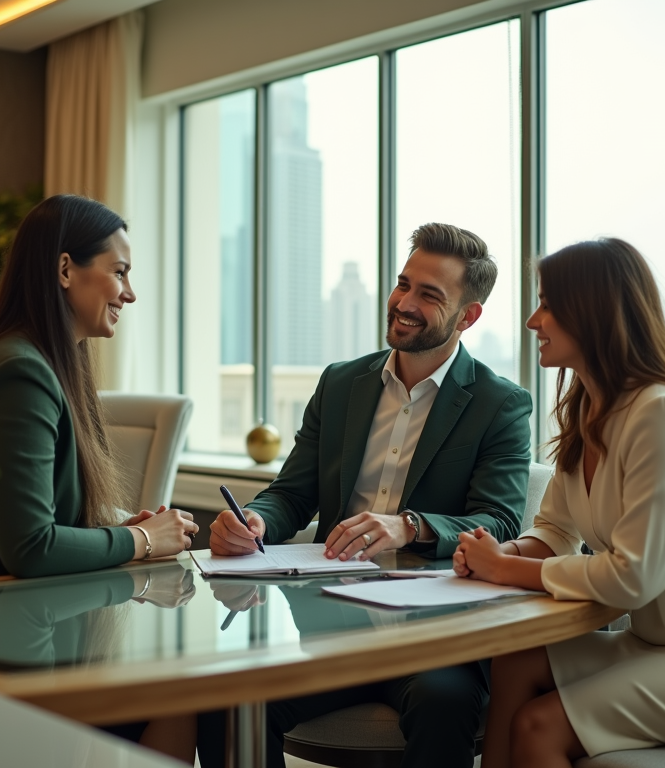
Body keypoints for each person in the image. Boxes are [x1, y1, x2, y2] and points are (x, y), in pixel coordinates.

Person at [452, 238, 665, 768]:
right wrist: (500, 553)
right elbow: (556, 531)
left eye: (547, 304)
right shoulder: (589, 413)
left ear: (592, 313)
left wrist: (504, 571)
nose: (532, 321)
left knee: (537, 726)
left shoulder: (662, 411)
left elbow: (635, 577)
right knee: (516, 658)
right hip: (657, 644)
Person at [206, 223, 533, 768]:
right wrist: (256, 521)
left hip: (437, 636)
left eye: (429, 295)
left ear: (468, 316)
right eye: (403, 284)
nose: (404, 302)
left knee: (445, 704)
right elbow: (291, 493)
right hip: (329, 621)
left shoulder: (500, 404)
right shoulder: (340, 383)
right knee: (224, 696)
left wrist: (410, 525)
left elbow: (498, 520)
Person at [0, 194, 199, 763]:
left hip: (3, 621)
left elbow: (36, 522)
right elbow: (30, 547)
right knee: (183, 691)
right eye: (120, 272)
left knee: (181, 689)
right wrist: (142, 541)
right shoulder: (19, 373)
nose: (129, 293)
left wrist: (123, 531)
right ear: (64, 270)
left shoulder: (45, 365)